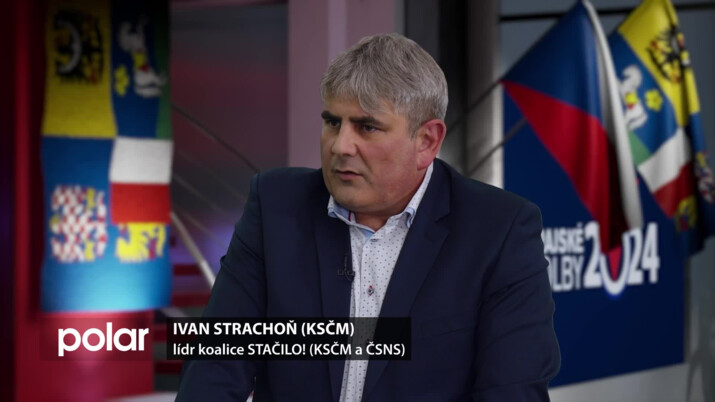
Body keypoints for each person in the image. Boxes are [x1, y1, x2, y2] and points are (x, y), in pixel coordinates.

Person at [176, 33, 560, 402]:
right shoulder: (276, 207)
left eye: (367, 127)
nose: (341, 146)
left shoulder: (499, 232)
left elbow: (511, 392)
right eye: (333, 122)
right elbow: (215, 367)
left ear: (426, 141)